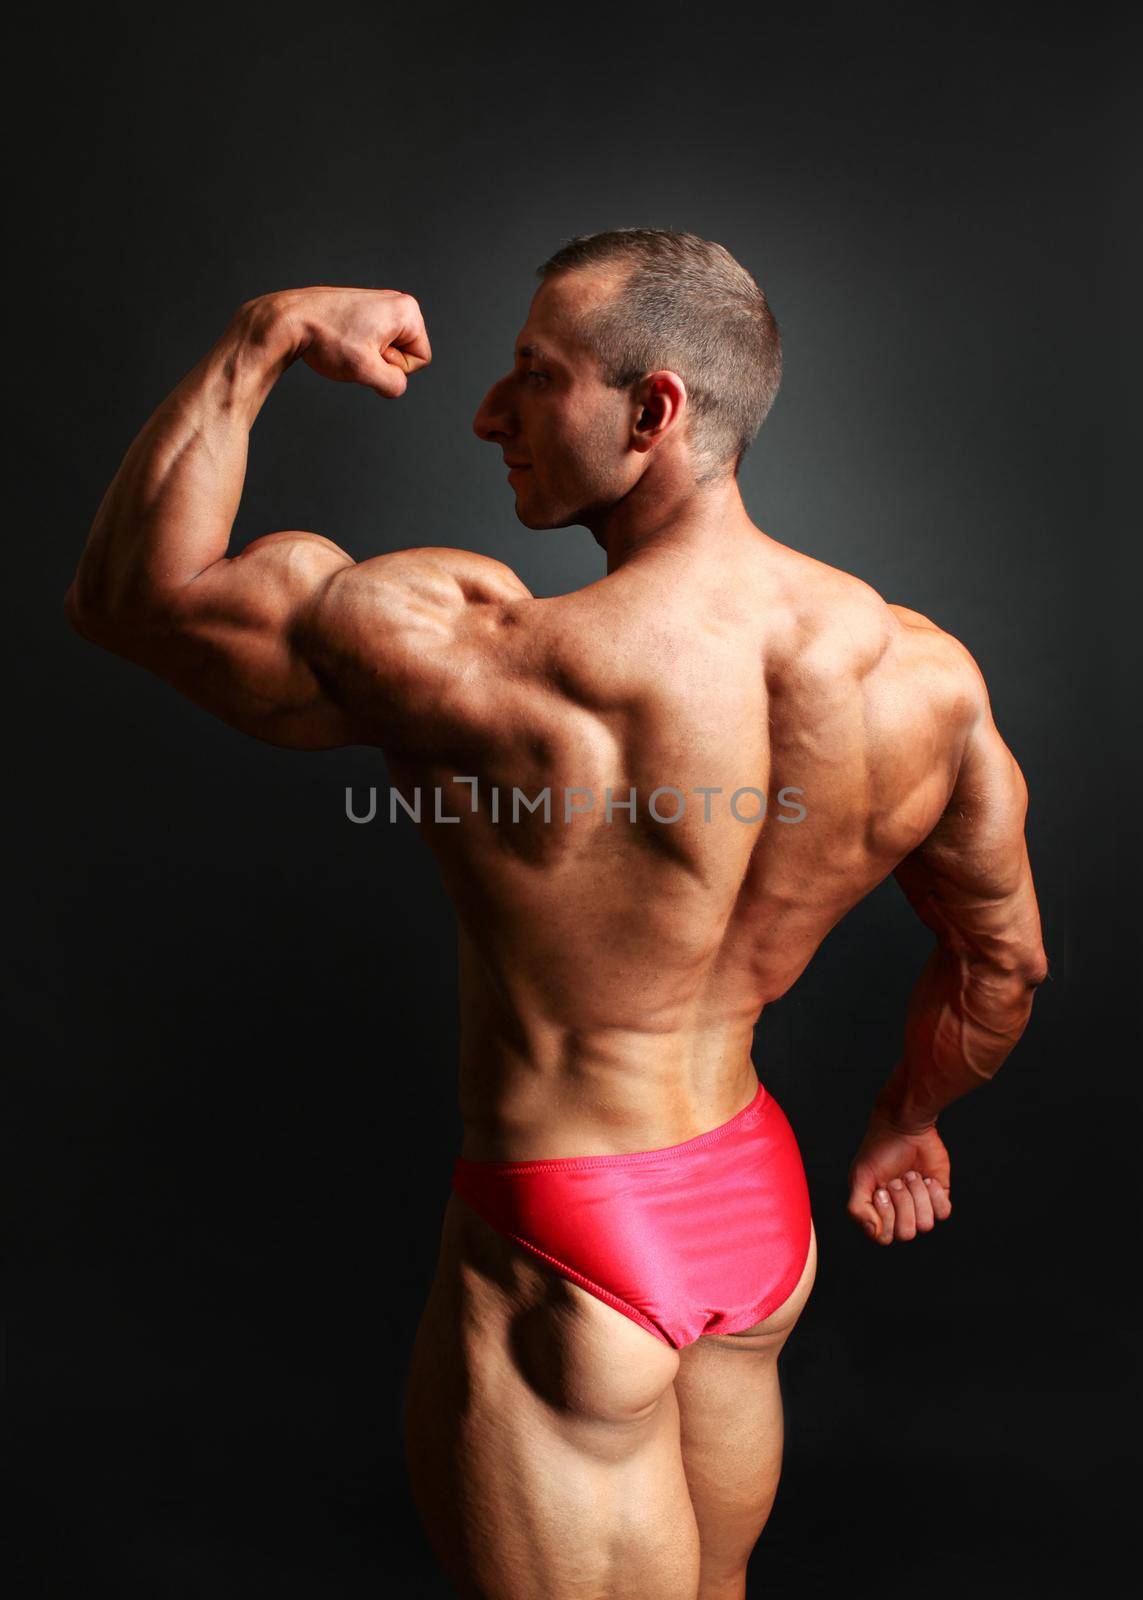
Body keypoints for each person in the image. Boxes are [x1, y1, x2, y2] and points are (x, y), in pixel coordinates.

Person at [65, 228, 1048, 1600]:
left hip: (566, 1242)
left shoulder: (487, 662)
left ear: (654, 412)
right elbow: (1003, 960)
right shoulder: (923, 675)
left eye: (535, 377)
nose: (487, 413)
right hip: (754, 1214)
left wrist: (263, 338)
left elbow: (134, 600)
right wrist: (910, 1117)